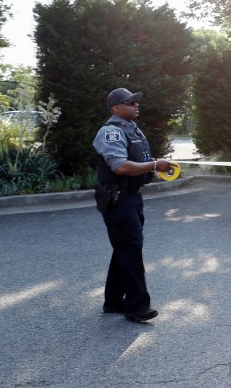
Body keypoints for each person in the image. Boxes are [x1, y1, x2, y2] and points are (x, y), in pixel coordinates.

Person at [93, 87, 175, 323]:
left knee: (125, 248)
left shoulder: (131, 129)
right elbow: (120, 167)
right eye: (130, 102)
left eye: (136, 101)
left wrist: (157, 165)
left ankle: (113, 301)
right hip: (118, 200)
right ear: (116, 108)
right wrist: (153, 166)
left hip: (132, 197)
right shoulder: (110, 132)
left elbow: (139, 161)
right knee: (130, 248)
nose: (136, 105)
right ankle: (137, 307)